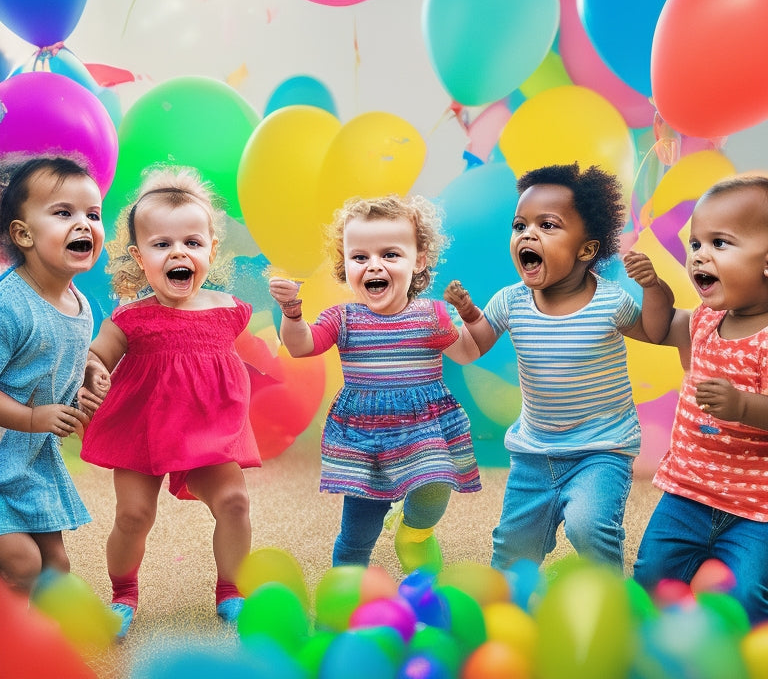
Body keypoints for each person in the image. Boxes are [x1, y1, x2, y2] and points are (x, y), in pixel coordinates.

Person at [445, 163, 673, 572]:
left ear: (586, 250)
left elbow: (655, 332)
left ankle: (608, 602)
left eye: (547, 226)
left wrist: (654, 288)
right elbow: (470, 349)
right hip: (535, 453)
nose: (527, 234)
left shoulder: (610, 302)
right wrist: (461, 318)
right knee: (513, 549)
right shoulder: (511, 301)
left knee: (589, 526)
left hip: (601, 449)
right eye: (520, 225)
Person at [79, 167, 260, 637]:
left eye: (192, 243)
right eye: (162, 245)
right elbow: (99, 354)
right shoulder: (131, 317)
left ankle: (232, 592)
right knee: (133, 515)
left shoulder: (229, 310)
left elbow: (230, 361)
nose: (179, 252)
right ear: (140, 258)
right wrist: (94, 369)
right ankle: (123, 593)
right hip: (142, 428)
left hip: (207, 430)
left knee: (235, 501)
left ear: (210, 250)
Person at [269, 194, 481, 574]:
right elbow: (301, 346)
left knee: (436, 479)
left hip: (422, 429)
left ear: (419, 261)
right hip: (367, 437)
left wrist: (467, 314)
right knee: (357, 534)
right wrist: (292, 312)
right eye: (360, 257)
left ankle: (415, 532)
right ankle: (347, 597)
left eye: (390, 254)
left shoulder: (432, 315)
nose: (374, 266)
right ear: (345, 264)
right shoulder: (343, 317)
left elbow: (466, 352)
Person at [633, 175, 768, 624]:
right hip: (687, 493)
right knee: (651, 578)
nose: (699, 255)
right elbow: (658, 328)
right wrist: (656, 290)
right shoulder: (705, 321)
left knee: (748, 597)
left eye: (721, 243)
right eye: (695, 243)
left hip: (756, 509)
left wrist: (744, 406)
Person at [0, 156, 105, 595]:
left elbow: (60, 351)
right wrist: (32, 418)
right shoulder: (10, 305)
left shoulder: (79, 304)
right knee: (22, 562)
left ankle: (36, 650)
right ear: (23, 234)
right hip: (8, 442)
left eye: (92, 215)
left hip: (30, 460)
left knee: (55, 569)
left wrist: (90, 369)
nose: (83, 224)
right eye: (64, 213)